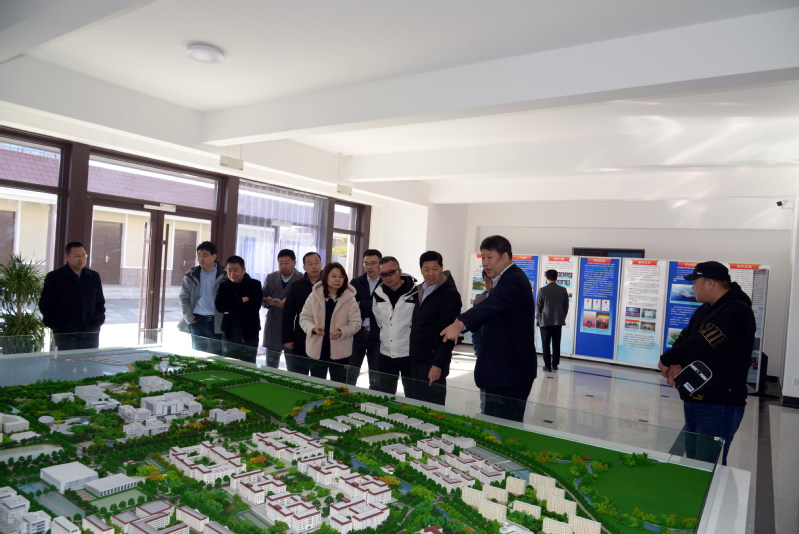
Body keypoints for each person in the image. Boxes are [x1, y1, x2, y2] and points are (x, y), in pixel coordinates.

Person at [659, 261, 755, 465]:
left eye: (696, 282)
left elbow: (703, 343)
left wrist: (666, 360)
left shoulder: (735, 311)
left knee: (708, 464)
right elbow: (686, 337)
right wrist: (674, 361)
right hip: (696, 396)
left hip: (718, 403)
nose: (693, 287)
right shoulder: (706, 309)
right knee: (694, 461)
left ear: (711, 283)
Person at [441, 235, 536, 422]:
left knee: (504, 426)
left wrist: (460, 323)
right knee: (494, 423)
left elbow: (491, 306)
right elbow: (491, 314)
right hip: (500, 369)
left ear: (505, 256)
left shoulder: (514, 279)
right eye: (482, 257)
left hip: (511, 372)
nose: (485, 263)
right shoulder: (503, 279)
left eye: (489, 257)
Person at [409, 251, 462, 405]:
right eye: (427, 269)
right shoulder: (420, 290)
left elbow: (449, 335)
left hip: (433, 362)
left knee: (432, 407)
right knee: (416, 404)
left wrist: (438, 365)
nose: (431, 273)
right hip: (417, 359)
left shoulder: (450, 294)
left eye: (435, 269)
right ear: (421, 270)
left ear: (441, 268)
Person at [299, 262, 361, 383]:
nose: (338, 279)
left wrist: (342, 331)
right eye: (334, 276)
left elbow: (356, 323)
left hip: (340, 351)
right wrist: (312, 328)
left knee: (339, 386)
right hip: (317, 350)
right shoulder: (314, 296)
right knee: (316, 385)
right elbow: (304, 318)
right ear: (325, 277)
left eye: (341, 276)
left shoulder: (350, 298)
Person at [39, 241, 105, 350]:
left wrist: (96, 323)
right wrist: (58, 327)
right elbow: (45, 305)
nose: (81, 259)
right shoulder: (54, 277)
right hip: (65, 333)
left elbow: (100, 303)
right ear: (67, 257)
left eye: (83, 255)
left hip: (91, 332)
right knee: (66, 361)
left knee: (90, 360)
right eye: (77, 256)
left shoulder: (94, 276)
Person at [372, 256, 417, 396]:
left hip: (409, 354)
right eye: (383, 274)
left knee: (412, 394)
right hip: (386, 353)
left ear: (400, 271)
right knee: (386, 394)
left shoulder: (416, 293)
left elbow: (418, 323)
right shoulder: (378, 294)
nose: (388, 277)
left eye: (391, 272)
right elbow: (380, 321)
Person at [177, 241, 226, 355]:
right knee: (199, 356)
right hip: (197, 321)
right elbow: (183, 298)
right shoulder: (191, 274)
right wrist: (189, 318)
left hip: (217, 322)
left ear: (214, 256)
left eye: (205, 255)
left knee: (217, 356)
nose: (201, 259)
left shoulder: (224, 275)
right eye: (199, 255)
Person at [282, 252, 323, 375]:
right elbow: (288, 314)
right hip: (301, 336)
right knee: (299, 374)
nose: (314, 266)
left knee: (318, 375)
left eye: (316, 262)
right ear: (304, 267)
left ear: (321, 264)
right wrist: (287, 338)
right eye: (310, 263)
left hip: (322, 336)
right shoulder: (296, 286)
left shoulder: (329, 284)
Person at [215, 256, 262, 361]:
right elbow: (220, 307)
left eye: (235, 270)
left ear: (243, 270)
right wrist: (242, 300)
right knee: (229, 363)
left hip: (249, 333)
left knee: (248, 364)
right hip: (229, 332)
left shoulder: (254, 285)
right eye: (229, 270)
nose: (232, 273)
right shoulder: (223, 285)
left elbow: (254, 307)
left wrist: (230, 306)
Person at [262, 249, 303, 367]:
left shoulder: (301, 278)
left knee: (293, 367)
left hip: (292, 327)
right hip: (273, 325)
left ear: (294, 263)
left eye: (287, 263)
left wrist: (288, 304)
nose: (284, 266)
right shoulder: (271, 277)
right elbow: (262, 297)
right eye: (281, 263)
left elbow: (305, 304)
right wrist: (268, 301)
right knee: (271, 365)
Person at [348, 248, 383, 387]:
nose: (369, 267)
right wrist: (372, 305)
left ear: (380, 263)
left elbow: (382, 308)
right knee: (350, 373)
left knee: (376, 376)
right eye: (366, 263)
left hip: (378, 335)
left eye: (373, 263)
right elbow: (350, 305)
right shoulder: (356, 282)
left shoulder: (386, 283)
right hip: (357, 333)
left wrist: (362, 303)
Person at [537, 269, 569, 372]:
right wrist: (561, 317)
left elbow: (539, 307)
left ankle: (547, 366)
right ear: (556, 277)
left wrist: (538, 320)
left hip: (545, 322)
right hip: (557, 322)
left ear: (546, 278)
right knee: (556, 343)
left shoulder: (542, 290)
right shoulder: (563, 290)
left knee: (545, 344)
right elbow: (566, 307)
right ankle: (555, 364)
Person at [471, 270, 492, 358]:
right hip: (483, 349)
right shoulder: (479, 299)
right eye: (487, 282)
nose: (490, 286)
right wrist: (478, 351)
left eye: (492, 282)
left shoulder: (506, 299)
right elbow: (475, 329)